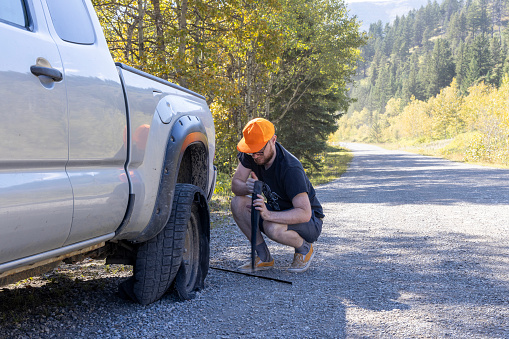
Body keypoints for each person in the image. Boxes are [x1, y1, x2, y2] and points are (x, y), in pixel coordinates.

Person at [231, 118, 324, 273]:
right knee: (237, 203)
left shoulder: (290, 168)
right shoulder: (252, 154)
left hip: (309, 221)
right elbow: (236, 185)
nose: (255, 156)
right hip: (278, 211)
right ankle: (264, 258)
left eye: (259, 151)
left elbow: (304, 213)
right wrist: (247, 186)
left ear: (273, 140)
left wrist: (268, 214)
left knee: (272, 227)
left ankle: (304, 249)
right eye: (251, 151)